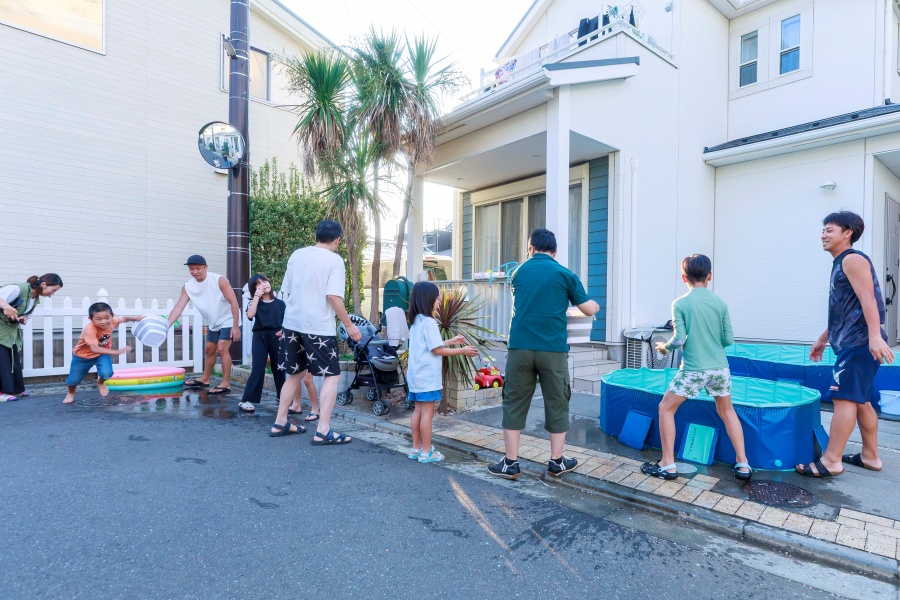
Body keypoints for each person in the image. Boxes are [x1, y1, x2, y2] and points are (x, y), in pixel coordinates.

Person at [488, 229, 600, 480]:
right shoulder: (565, 274)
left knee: (514, 402)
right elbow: (588, 309)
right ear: (555, 252)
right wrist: (594, 305)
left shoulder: (518, 273)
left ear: (531, 248)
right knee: (557, 402)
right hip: (552, 350)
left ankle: (510, 463)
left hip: (520, 348)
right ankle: (557, 462)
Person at [797, 211, 895, 477]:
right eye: (823, 230)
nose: (823, 235)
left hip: (858, 343)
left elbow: (868, 300)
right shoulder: (841, 262)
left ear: (847, 232)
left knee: (843, 399)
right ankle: (870, 456)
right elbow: (846, 309)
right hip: (855, 341)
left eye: (829, 230)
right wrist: (823, 337)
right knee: (861, 401)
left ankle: (831, 461)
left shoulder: (852, 259)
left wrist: (874, 336)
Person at [640, 254, 752, 482]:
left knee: (666, 408)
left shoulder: (680, 304)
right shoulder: (720, 303)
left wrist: (664, 348)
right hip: (719, 368)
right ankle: (743, 463)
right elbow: (728, 339)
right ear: (710, 276)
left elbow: (679, 338)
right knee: (727, 411)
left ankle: (667, 464)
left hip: (694, 369)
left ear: (684, 278)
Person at [269, 220, 362, 441]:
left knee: (294, 373)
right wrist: (349, 325)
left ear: (316, 236)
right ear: (337, 240)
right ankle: (323, 430)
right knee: (332, 375)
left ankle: (280, 422)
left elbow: (286, 291)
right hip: (318, 326)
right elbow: (333, 296)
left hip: (292, 323)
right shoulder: (334, 260)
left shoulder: (297, 255)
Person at [405, 281, 478, 463]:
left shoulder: (416, 322)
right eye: (437, 298)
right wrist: (462, 350)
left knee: (418, 412)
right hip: (427, 377)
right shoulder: (429, 322)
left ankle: (416, 448)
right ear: (428, 299)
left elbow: (429, 345)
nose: (438, 301)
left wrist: (450, 342)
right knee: (427, 414)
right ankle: (426, 452)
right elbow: (436, 350)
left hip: (415, 376)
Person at [168, 255, 241, 395]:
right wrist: (167, 325)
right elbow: (179, 307)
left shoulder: (219, 280)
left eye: (198, 268)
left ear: (205, 267)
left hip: (228, 319)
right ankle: (205, 379)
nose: (195, 271)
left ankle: (225, 383)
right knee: (209, 349)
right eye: (191, 269)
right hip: (214, 322)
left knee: (222, 348)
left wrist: (236, 326)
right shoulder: (188, 287)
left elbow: (234, 302)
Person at [63, 302, 143, 404]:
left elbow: (124, 319)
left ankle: (100, 382)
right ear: (91, 319)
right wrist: (117, 351)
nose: (104, 322)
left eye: (107, 318)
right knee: (74, 380)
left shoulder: (113, 321)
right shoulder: (90, 329)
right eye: (98, 319)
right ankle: (70, 393)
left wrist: (136, 319)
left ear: (112, 316)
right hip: (82, 356)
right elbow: (94, 349)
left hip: (101, 354)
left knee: (107, 373)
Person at [0, 274, 63, 402]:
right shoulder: (18, 288)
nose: (52, 294)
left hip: (9, 331)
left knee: (11, 360)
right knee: (1, 360)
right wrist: (6, 306)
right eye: (53, 290)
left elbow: (23, 311)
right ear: (43, 284)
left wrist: (24, 317)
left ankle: (15, 389)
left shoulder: (34, 297)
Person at [239, 274, 286, 413]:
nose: (263, 284)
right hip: (260, 336)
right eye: (258, 284)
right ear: (254, 289)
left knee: (279, 368)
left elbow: (287, 320)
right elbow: (250, 315)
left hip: (277, 336)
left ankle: (282, 397)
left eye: (264, 281)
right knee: (258, 368)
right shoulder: (254, 302)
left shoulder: (280, 303)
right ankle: (246, 400)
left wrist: (284, 331)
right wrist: (256, 297)